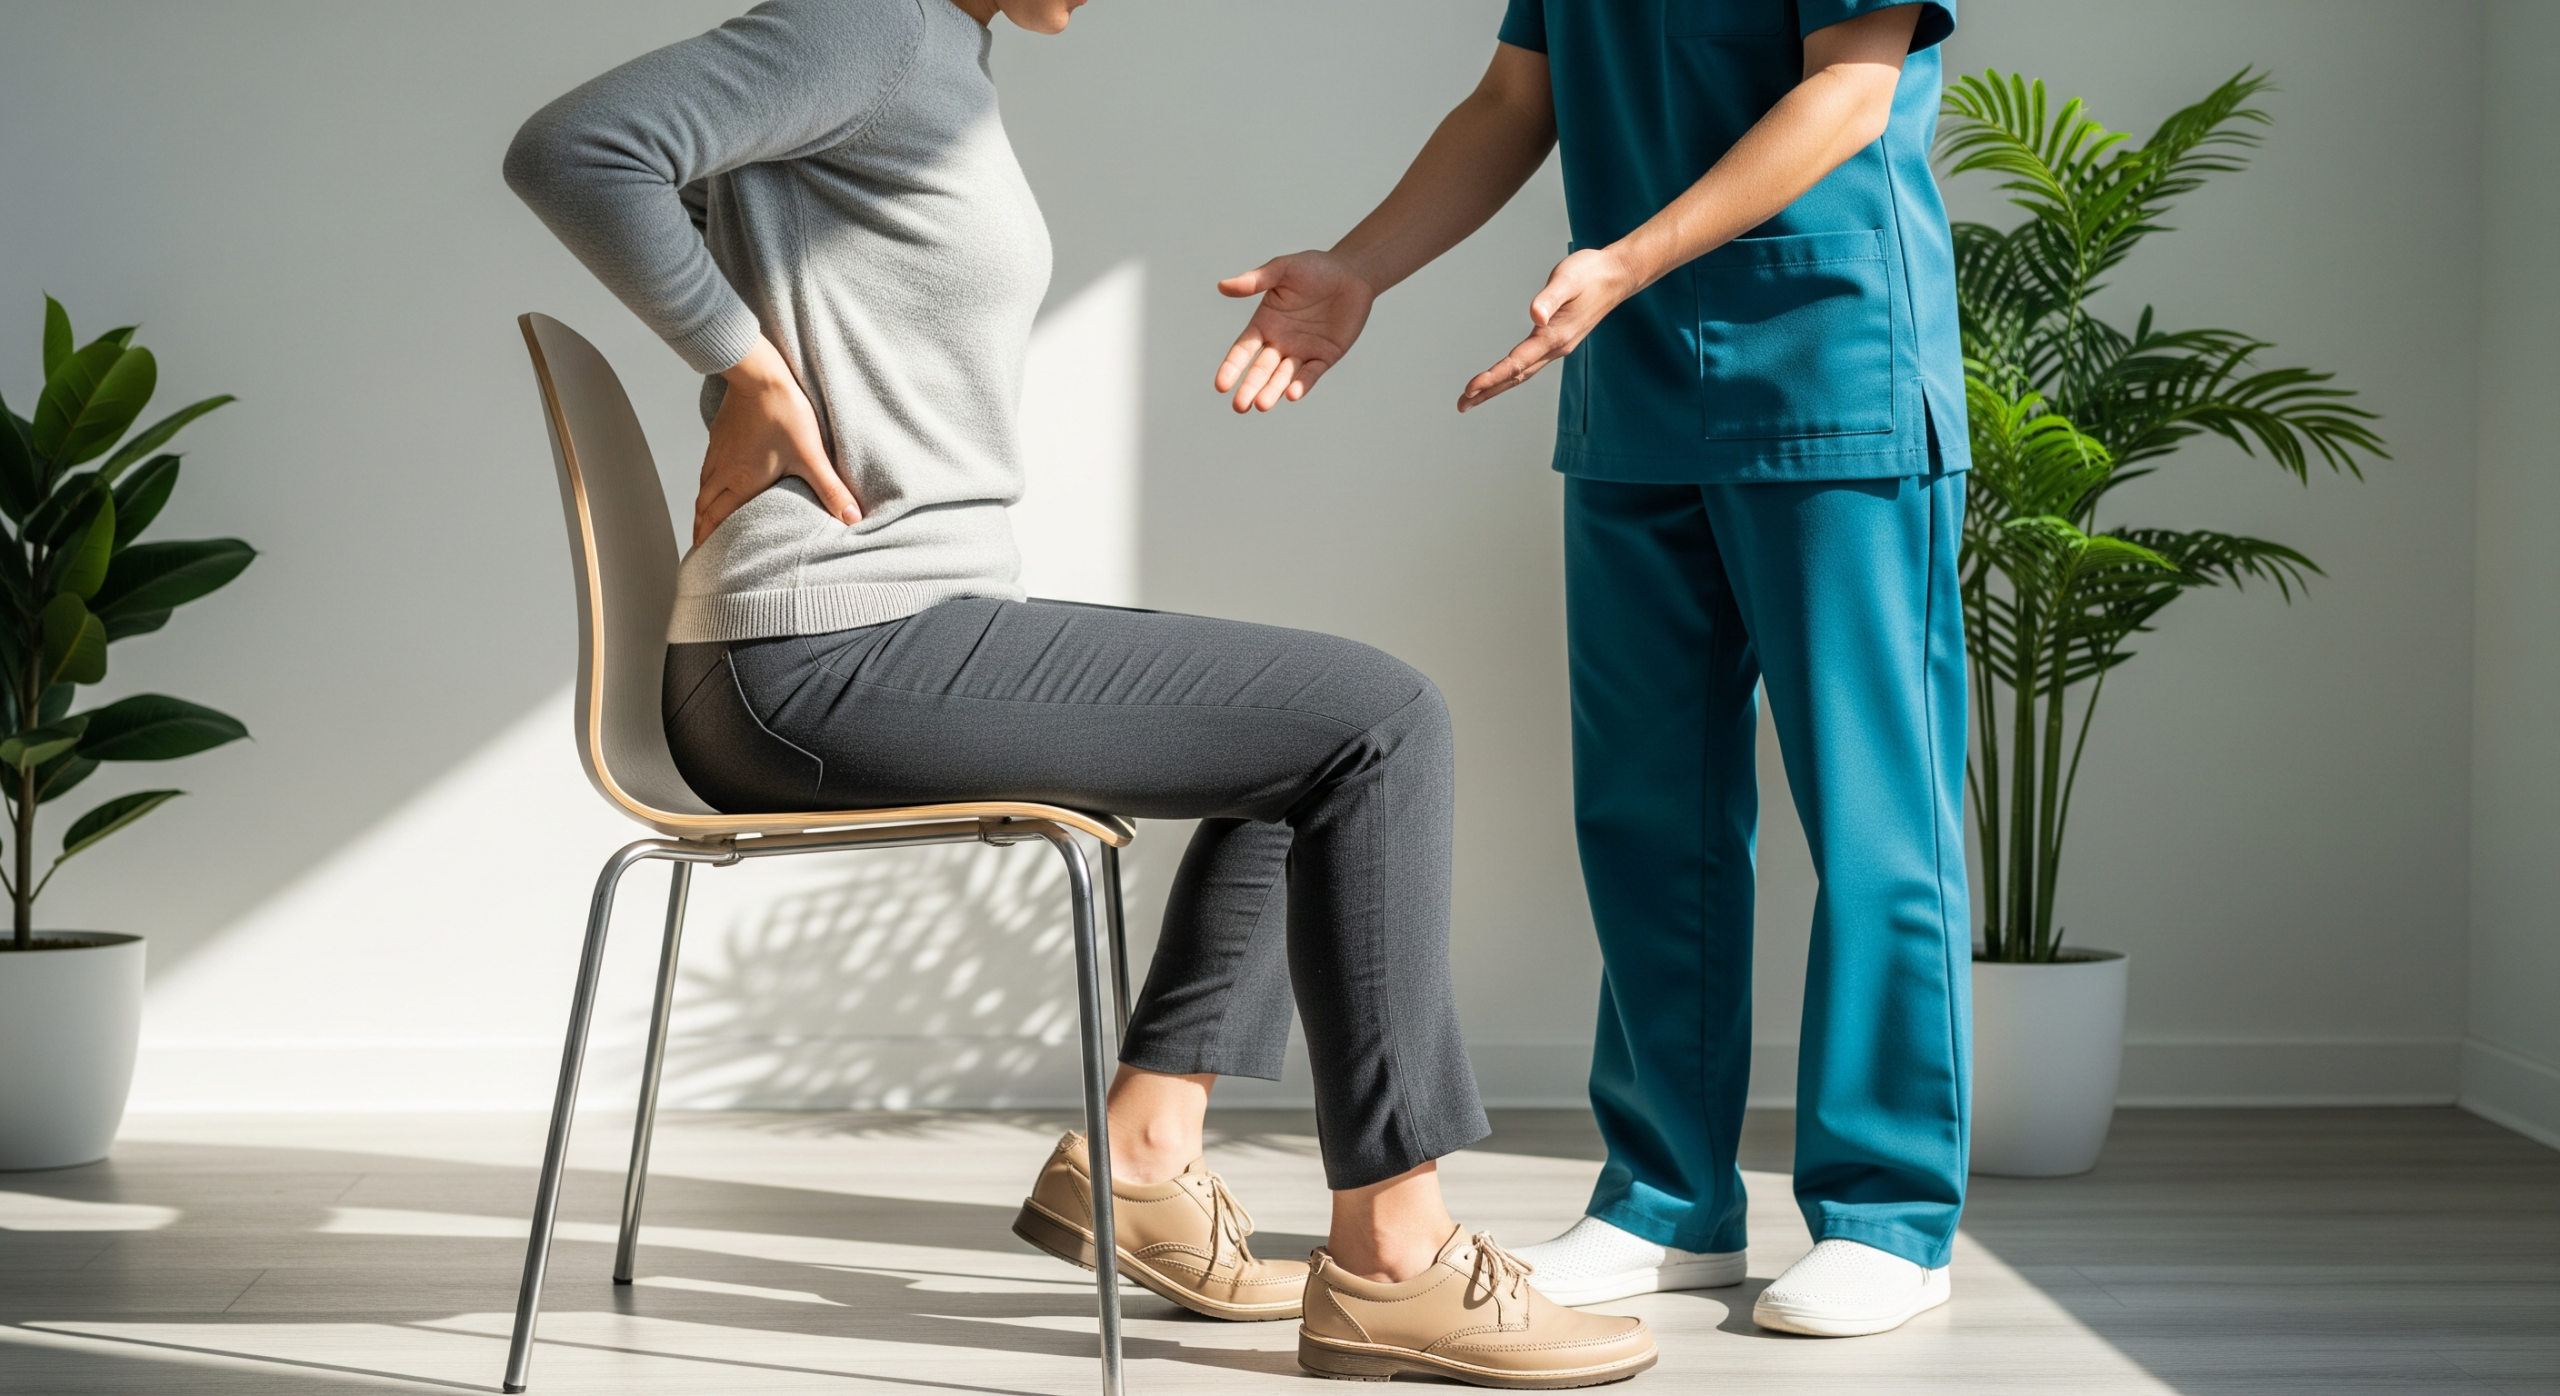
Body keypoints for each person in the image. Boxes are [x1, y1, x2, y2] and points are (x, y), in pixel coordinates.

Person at [505, 0, 1661, 1386]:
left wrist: (752, 341)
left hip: (862, 637)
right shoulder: (867, 27)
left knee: (1309, 735)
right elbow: (573, 148)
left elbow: (720, 209)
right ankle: (1397, 1258)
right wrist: (742, 365)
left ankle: (1142, 1160)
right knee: (1379, 722)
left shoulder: (927, 51)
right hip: (823, 657)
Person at [1215, 0, 1972, 1339]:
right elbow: (1517, 101)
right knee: (1646, 819)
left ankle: (1889, 1218)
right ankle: (1668, 1201)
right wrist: (1361, 267)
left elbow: (1850, 92)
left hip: (1830, 370)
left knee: (1876, 822)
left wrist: (1627, 260)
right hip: (1631, 386)